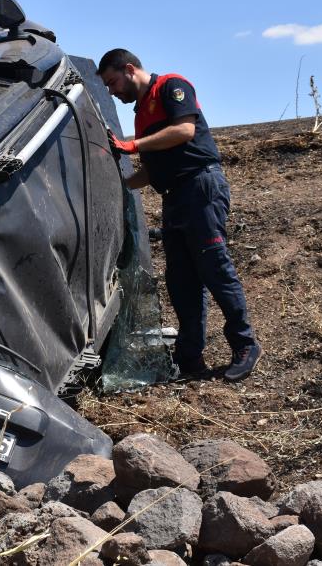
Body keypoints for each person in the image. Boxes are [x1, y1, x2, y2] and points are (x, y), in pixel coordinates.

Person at [96, 48, 263, 382]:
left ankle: (245, 345)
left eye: (113, 82)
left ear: (130, 69)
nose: (112, 92)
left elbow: (184, 131)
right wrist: (119, 185)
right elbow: (153, 168)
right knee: (182, 280)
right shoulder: (141, 112)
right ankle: (190, 358)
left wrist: (132, 145)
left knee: (214, 267)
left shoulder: (172, 86)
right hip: (173, 197)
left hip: (200, 187)